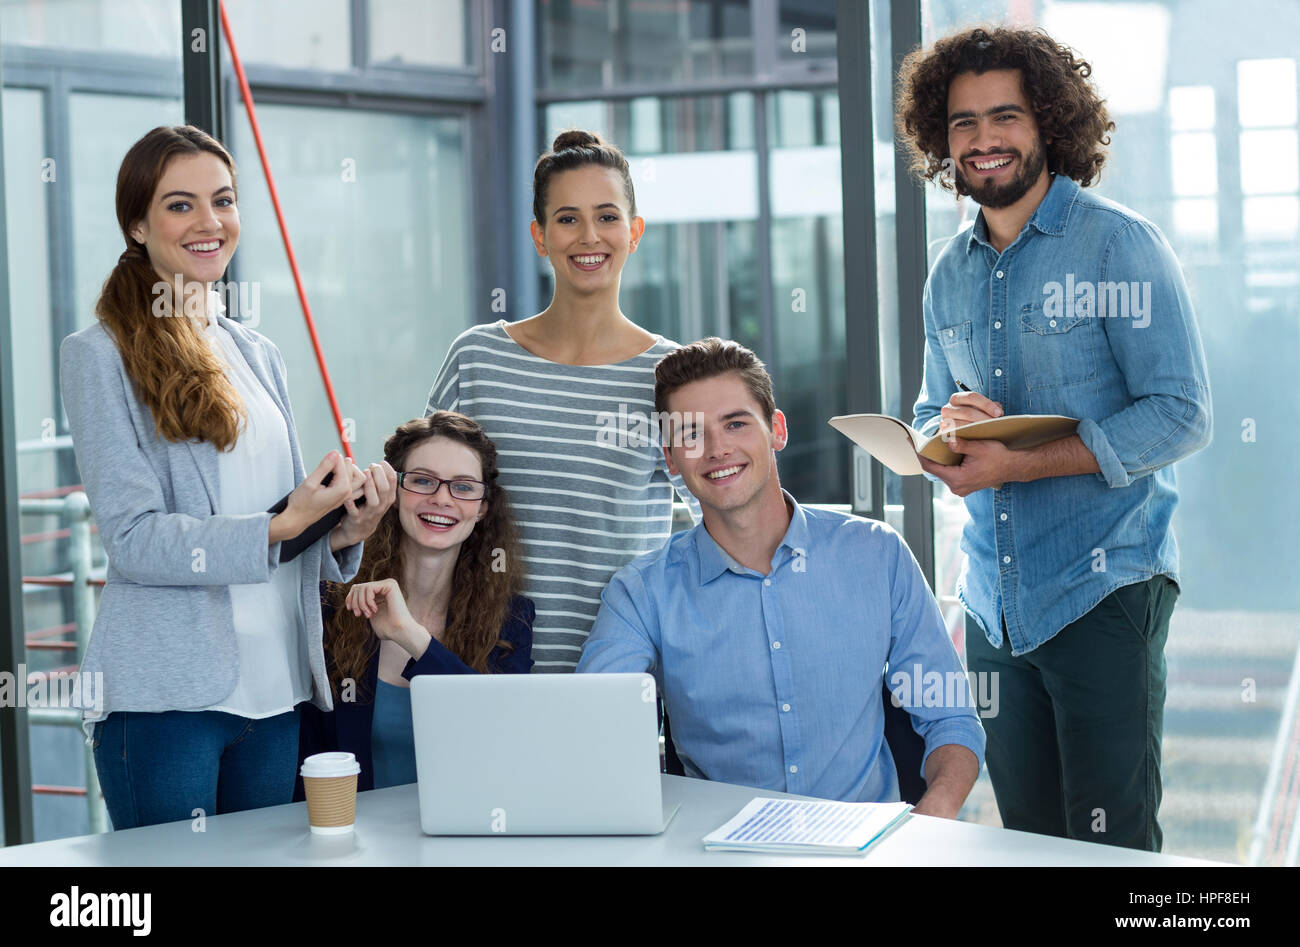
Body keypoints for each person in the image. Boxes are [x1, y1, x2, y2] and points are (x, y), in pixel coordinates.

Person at [896, 26, 1213, 849]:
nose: (984, 139)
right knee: (1028, 843)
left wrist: (1021, 463)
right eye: (963, 122)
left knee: (1112, 848)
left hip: (1104, 591)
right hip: (996, 610)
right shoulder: (949, 271)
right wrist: (946, 439)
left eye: (1005, 116)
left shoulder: (1118, 244)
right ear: (942, 137)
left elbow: (1181, 411)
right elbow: (932, 410)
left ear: (1049, 125)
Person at [59, 125, 395, 830]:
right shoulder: (99, 356)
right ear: (137, 223)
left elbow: (281, 535)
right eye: (181, 205)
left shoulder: (255, 349)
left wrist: (342, 530)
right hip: (168, 700)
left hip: (276, 690)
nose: (209, 222)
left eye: (224, 200)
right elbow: (134, 540)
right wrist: (285, 521)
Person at [578, 339, 984, 816]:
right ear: (670, 459)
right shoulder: (641, 594)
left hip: (871, 850)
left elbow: (951, 720)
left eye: (735, 423)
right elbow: (594, 731)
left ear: (777, 430)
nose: (717, 449)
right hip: (719, 852)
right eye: (690, 435)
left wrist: (926, 828)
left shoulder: (876, 554)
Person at [425, 129, 699, 673]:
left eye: (607, 216)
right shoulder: (477, 357)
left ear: (634, 231)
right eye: (568, 218)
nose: (589, 236)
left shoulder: (669, 376)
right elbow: (422, 501)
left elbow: (722, 518)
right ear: (540, 236)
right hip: (476, 662)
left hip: (616, 671)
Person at [296, 413, 535, 794]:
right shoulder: (332, 604)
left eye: (463, 487)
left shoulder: (512, 618)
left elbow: (501, 731)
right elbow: (308, 760)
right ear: (393, 492)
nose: (441, 498)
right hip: (353, 844)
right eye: (423, 481)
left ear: (483, 507)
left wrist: (413, 638)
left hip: (461, 841)